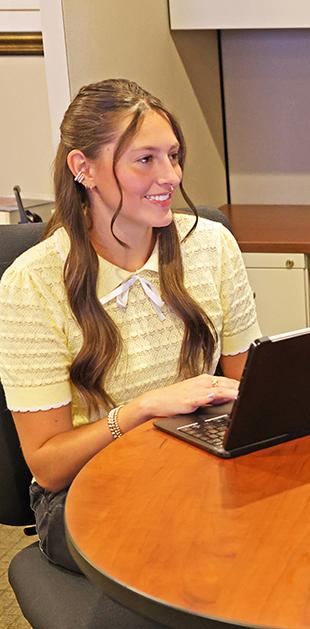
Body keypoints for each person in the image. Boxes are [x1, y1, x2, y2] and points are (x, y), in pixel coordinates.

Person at [0, 79, 260, 573]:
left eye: (174, 156)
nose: (170, 175)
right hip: (84, 488)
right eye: (146, 160)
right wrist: (141, 411)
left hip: (195, 457)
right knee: (209, 544)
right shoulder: (31, 283)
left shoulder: (213, 246)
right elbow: (49, 466)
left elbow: (245, 385)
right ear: (84, 169)